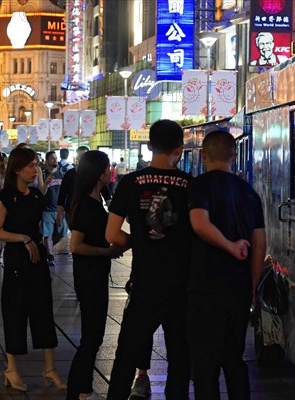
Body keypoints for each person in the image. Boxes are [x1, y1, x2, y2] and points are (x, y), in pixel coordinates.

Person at [105, 119, 191, 400]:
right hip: (181, 284)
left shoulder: (130, 182)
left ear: (150, 145)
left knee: (127, 352)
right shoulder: (190, 184)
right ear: (179, 148)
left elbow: (112, 233)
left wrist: (137, 242)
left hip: (144, 283)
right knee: (180, 354)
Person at [187, 130, 266, 400]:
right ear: (234, 157)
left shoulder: (200, 186)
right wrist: (253, 285)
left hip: (205, 287)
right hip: (239, 288)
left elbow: (200, 224)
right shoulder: (249, 193)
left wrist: (229, 246)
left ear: (203, 154)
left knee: (205, 363)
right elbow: (259, 243)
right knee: (234, 359)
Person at [0, 147, 66, 393]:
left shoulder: (34, 195)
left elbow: (45, 201)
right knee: (16, 311)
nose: (36, 170)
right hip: (17, 260)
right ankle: (12, 369)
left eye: (37, 165)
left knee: (43, 309)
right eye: (31, 165)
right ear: (17, 169)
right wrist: (23, 238)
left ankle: (49, 368)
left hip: (37, 260)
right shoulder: (6, 197)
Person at [66, 150, 127, 400]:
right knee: (92, 336)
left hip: (94, 274)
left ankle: (83, 388)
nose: (109, 172)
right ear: (99, 173)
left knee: (94, 335)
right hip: (89, 275)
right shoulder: (85, 205)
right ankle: (78, 390)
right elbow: (75, 245)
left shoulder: (94, 200)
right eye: (107, 169)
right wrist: (107, 252)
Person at [42, 151, 64, 267]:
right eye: (52, 158)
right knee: (47, 234)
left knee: (62, 232)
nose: (55, 160)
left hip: (60, 209)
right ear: (47, 161)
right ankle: (50, 255)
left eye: (55, 158)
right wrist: (46, 183)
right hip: (47, 210)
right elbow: (41, 192)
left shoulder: (62, 174)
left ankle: (46, 246)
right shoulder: (43, 175)